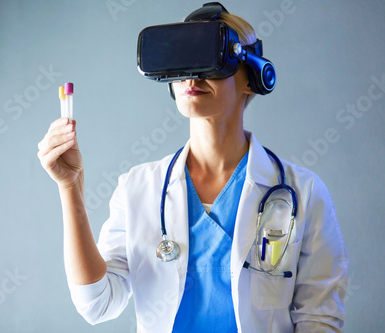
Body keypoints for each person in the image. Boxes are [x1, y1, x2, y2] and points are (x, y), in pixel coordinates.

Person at [37, 3, 348, 332]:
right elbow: (97, 304)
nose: (193, 76)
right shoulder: (138, 188)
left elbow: (319, 319)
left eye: (210, 59)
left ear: (253, 77)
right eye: (183, 61)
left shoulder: (305, 193)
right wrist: (69, 188)